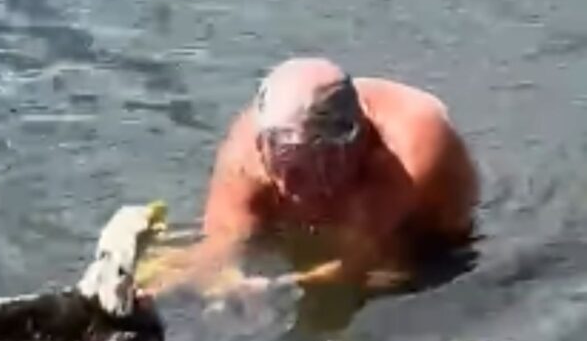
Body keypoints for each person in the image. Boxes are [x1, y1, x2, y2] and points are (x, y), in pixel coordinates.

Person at [146, 56, 480, 296]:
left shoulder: (408, 154)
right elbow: (219, 246)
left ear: (353, 144)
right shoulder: (247, 156)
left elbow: (361, 263)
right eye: (279, 165)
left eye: (308, 168)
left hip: (428, 238)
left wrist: (276, 288)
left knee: (398, 276)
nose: (288, 187)